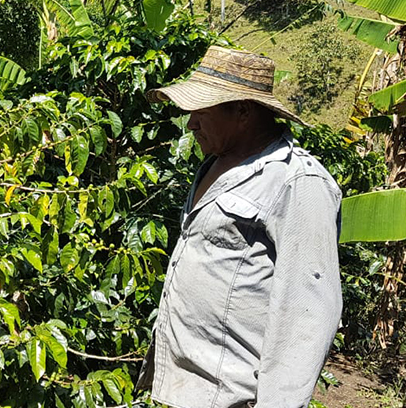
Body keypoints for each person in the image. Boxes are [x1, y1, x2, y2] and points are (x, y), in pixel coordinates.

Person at [137, 44, 342, 408]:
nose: (191, 124)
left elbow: (308, 312)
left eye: (202, 112)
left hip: (235, 396)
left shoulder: (298, 182)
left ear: (244, 111)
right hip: (190, 390)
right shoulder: (216, 164)